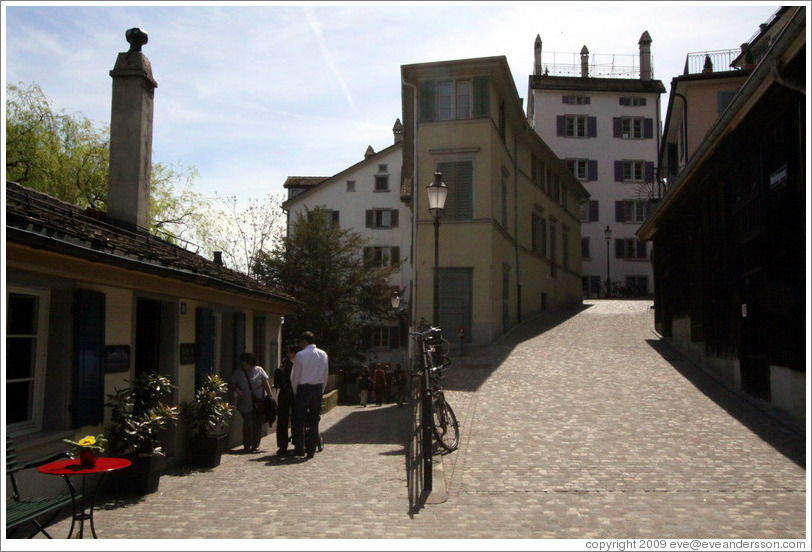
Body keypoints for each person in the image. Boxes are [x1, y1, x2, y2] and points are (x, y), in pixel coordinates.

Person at [290, 331, 328, 458]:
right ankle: (311, 450)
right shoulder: (323, 354)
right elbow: (325, 374)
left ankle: (300, 448)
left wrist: (296, 390)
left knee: (299, 420)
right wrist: (321, 390)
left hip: (304, 388)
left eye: (301, 342)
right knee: (314, 420)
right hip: (317, 388)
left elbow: (296, 376)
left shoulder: (300, 355)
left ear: (305, 341)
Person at [230, 352, 272, 453]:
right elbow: (232, 382)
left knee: (257, 424)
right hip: (245, 403)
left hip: (259, 402)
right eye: (243, 363)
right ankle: (247, 445)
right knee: (247, 424)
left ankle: (255, 445)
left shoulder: (259, 370)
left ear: (251, 363)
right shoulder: (239, 372)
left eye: (246, 363)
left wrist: (270, 395)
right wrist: (237, 390)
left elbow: (265, 382)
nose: (244, 365)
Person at [273, 345, 297, 456]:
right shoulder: (287, 362)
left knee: (287, 419)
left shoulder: (290, 363)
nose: (287, 354)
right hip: (290, 393)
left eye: (289, 352)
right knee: (288, 419)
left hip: (288, 392)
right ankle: (285, 444)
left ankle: (287, 444)